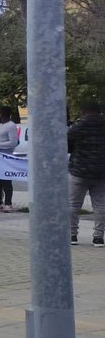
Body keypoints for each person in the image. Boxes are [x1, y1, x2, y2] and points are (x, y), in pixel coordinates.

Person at [69, 101, 105, 246]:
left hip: (78, 170)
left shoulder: (78, 126)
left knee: (73, 205)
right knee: (101, 205)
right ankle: (98, 237)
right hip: (102, 172)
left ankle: (72, 235)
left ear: (83, 111)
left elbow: (68, 143)